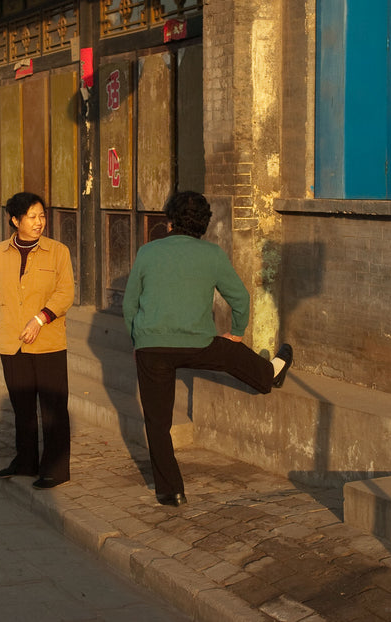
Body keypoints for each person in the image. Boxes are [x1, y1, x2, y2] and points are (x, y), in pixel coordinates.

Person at [122, 191, 292, 507]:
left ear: (169, 221)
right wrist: (238, 333)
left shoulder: (147, 252)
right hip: (197, 344)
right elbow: (240, 299)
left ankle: (170, 490)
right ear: (203, 224)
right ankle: (268, 375)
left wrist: (137, 341)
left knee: (157, 423)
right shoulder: (212, 254)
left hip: (152, 347)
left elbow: (130, 304)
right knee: (229, 350)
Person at [0, 192, 75, 490]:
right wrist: (11, 314)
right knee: (22, 406)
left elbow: (65, 293)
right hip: (13, 342)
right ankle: (26, 461)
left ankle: (56, 469)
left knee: (53, 406)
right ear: (15, 220)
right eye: (32, 217)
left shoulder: (58, 252)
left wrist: (39, 318)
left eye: (42, 216)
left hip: (48, 341)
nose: (39, 222)